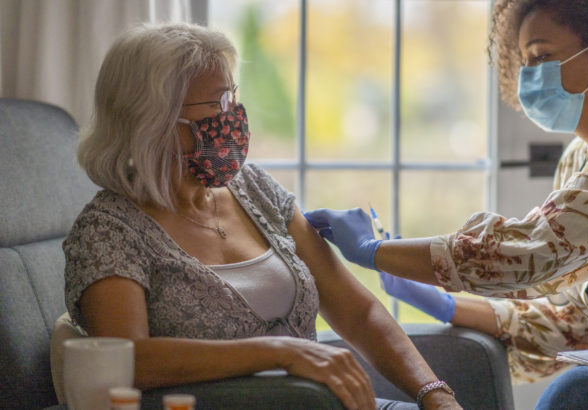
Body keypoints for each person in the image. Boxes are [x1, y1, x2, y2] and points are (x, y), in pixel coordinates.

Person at [304, 0, 588, 408]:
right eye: (523, 61)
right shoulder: (579, 160)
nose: (528, 76)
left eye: (541, 56)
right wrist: (450, 306)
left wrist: (375, 252)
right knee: (572, 395)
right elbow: (577, 322)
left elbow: (541, 248)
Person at [63, 22, 461, 410]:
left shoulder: (253, 188)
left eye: (232, 97)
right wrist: (277, 352)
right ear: (155, 121)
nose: (232, 116)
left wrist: (434, 393)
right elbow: (129, 359)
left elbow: (359, 313)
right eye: (218, 104)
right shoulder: (108, 230)